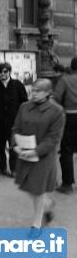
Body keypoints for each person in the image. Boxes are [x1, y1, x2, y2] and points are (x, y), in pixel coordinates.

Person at [12, 78, 65, 236]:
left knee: (37, 189)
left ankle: (37, 224)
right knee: (27, 186)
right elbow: (15, 127)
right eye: (32, 90)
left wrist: (36, 151)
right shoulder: (24, 107)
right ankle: (48, 205)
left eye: (38, 91)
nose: (33, 93)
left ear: (48, 93)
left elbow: (53, 138)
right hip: (24, 154)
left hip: (43, 157)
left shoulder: (57, 111)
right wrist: (15, 144)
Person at [0, 62, 28, 178]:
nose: (2, 74)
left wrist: (20, 117)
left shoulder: (18, 85)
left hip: (14, 122)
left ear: (9, 72)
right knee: (0, 146)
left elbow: (24, 102)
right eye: (0, 72)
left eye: (5, 71)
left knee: (13, 146)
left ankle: (14, 169)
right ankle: (2, 168)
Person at [52, 57, 77, 194]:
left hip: (71, 117)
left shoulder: (65, 79)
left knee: (66, 151)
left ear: (72, 67)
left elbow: (56, 97)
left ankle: (67, 184)